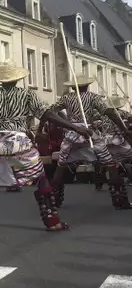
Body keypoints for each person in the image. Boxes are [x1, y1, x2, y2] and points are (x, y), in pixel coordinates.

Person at [0, 60, 91, 231]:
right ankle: (52, 221)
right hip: (20, 143)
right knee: (41, 178)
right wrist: (75, 127)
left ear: (0, 79)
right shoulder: (27, 95)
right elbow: (47, 114)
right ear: (17, 78)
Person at [42, 75, 132, 209]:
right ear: (87, 86)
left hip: (72, 132)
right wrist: (123, 128)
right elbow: (108, 112)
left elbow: (49, 112)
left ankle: (54, 198)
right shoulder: (93, 97)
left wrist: (46, 128)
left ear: (73, 87)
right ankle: (119, 198)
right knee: (110, 163)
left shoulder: (66, 98)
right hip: (88, 132)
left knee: (61, 164)